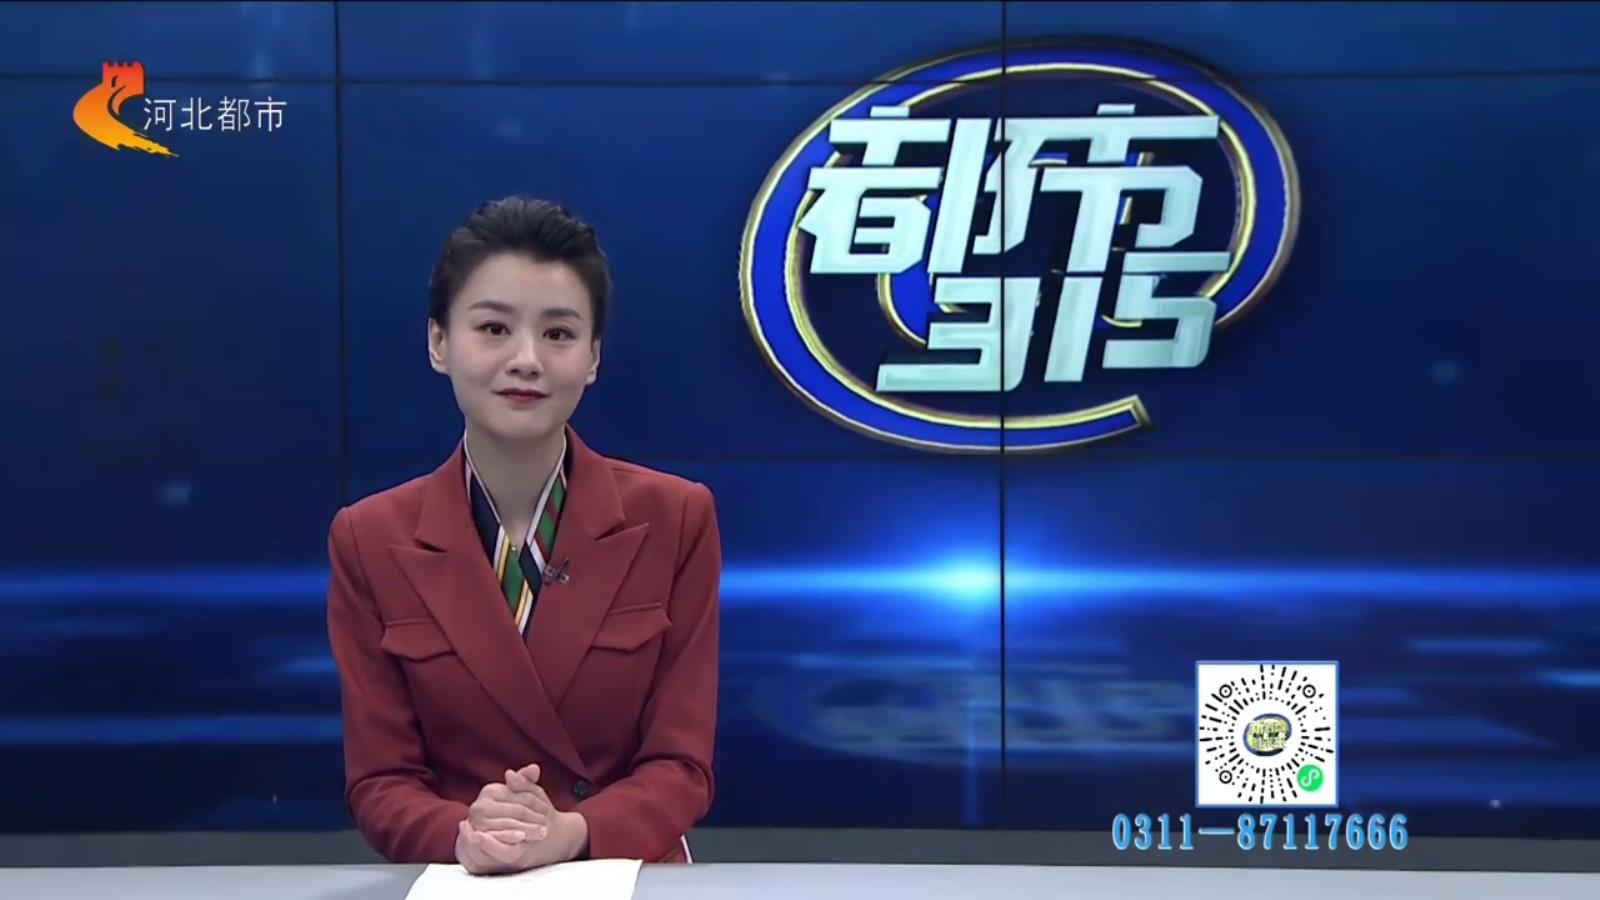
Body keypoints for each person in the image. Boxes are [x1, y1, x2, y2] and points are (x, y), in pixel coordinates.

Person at [325, 196, 720, 874]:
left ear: (593, 357)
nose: (527, 360)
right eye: (494, 328)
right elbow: (380, 782)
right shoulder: (369, 538)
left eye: (559, 334)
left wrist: (571, 832)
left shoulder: (675, 517)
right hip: (463, 875)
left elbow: (682, 766)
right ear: (439, 343)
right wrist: (464, 834)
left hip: (624, 868)